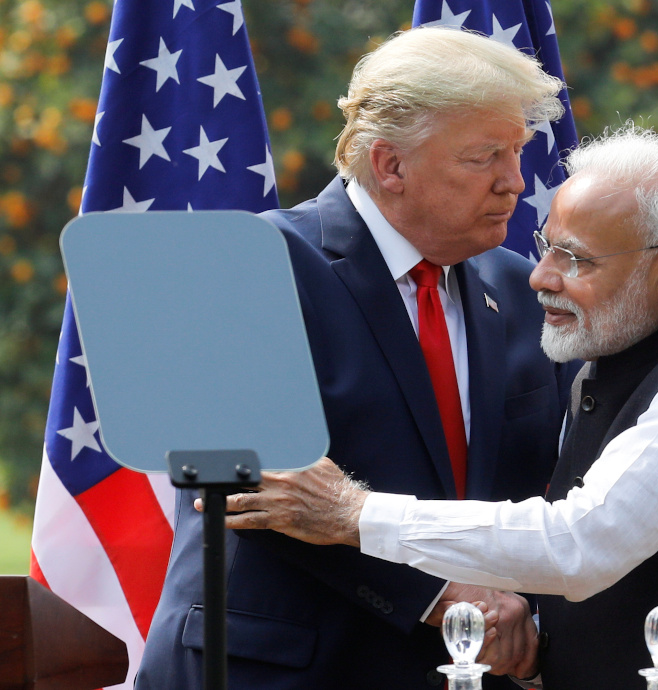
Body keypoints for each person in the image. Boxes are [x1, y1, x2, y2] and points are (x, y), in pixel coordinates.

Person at [221, 126, 658, 689]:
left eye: (576, 258)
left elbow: (580, 543)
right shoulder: (604, 357)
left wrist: (354, 513)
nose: (539, 276)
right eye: (546, 246)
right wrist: (534, 634)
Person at [136, 27, 575, 689]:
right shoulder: (246, 265)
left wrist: (525, 617)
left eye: (516, 152)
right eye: (485, 156)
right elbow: (250, 488)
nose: (514, 182)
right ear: (390, 165)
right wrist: (439, 595)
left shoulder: (522, 290)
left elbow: (554, 492)